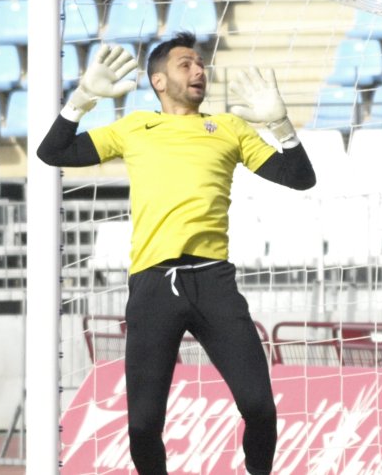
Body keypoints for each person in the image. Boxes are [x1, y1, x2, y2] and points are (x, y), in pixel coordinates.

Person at [37, 32, 316, 475]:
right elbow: (52, 152)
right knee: (143, 425)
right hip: (152, 285)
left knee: (260, 407)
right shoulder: (134, 128)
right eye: (186, 64)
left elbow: (300, 177)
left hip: (214, 282)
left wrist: (280, 125)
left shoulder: (229, 128)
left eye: (200, 63)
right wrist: (82, 99)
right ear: (159, 81)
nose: (199, 71)